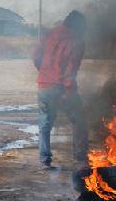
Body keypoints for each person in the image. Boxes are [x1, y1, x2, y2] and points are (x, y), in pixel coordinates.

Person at [33, 10, 89, 170]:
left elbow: (36, 55)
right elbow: (72, 68)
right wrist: (68, 89)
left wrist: (44, 72)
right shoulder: (77, 41)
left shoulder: (50, 34)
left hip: (44, 85)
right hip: (62, 87)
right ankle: (79, 159)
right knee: (80, 121)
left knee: (45, 124)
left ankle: (44, 161)